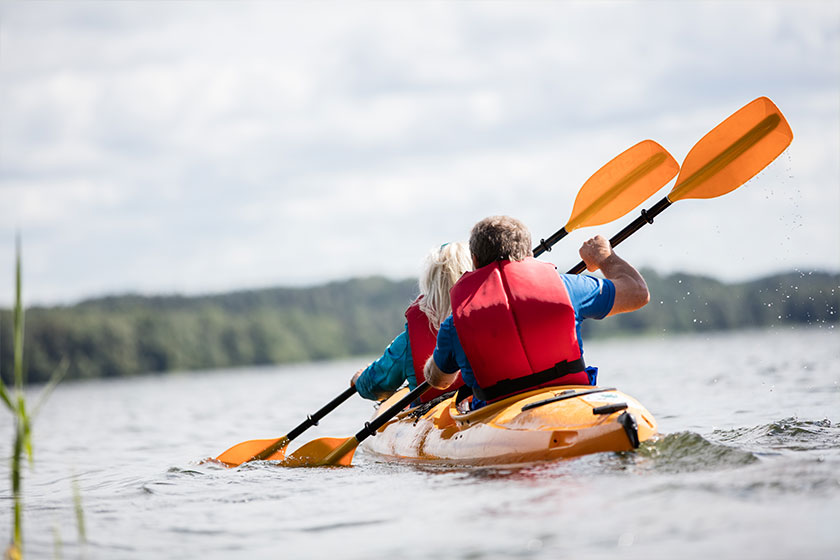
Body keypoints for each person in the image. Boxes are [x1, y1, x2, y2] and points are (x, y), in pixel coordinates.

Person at [424, 215, 650, 409]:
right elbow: (638, 293)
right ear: (529, 254)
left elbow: (439, 380)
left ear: (474, 260)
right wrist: (605, 258)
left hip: (500, 417)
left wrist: (432, 367)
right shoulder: (568, 288)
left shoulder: (457, 323)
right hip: (572, 400)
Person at [351, 242, 472, 403]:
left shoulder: (410, 339)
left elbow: (378, 384)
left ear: (429, 281)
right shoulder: (486, 317)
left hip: (432, 411)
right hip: (478, 403)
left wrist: (360, 380)